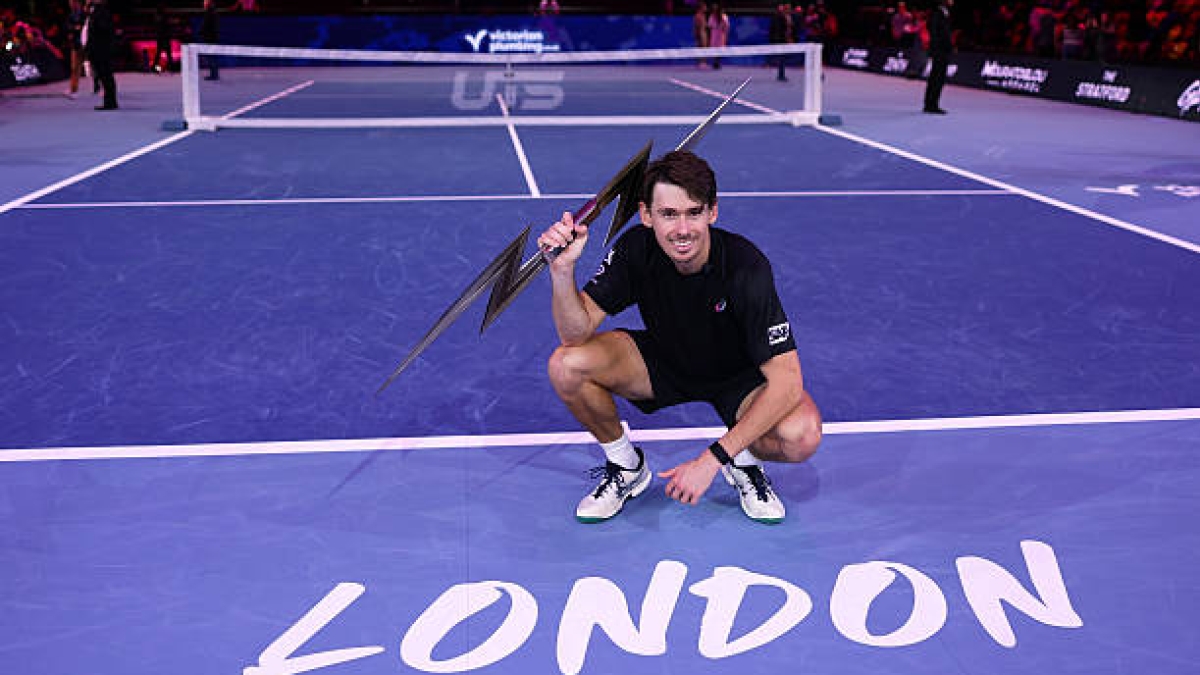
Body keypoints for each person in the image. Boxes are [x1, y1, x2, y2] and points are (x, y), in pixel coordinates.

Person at [536, 150, 823, 525]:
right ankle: (626, 467)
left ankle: (743, 463)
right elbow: (574, 334)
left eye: (693, 212)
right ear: (646, 215)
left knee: (801, 435)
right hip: (664, 361)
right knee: (566, 365)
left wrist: (713, 458)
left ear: (712, 212)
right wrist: (562, 270)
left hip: (738, 378)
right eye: (669, 214)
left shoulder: (745, 267)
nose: (682, 229)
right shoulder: (635, 249)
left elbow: (787, 381)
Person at [84, 0, 117, 110]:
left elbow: (101, 30)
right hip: (100, 48)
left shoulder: (101, 11)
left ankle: (110, 102)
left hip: (101, 49)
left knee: (106, 75)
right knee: (105, 76)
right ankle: (110, 101)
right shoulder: (97, 11)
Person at [923, 0, 952, 114]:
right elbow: (933, 30)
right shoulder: (937, 13)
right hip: (939, 50)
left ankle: (931, 103)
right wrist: (935, 48)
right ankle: (931, 105)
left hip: (942, 50)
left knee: (937, 77)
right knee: (937, 77)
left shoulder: (945, 12)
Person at [65, 0, 86, 97]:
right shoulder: (70, 15)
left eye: (73, 2)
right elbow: (68, 27)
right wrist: (73, 29)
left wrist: (79, 27)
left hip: (86, 43)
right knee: (74, 68)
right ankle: (73, 88)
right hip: (75, 44)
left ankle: (98, 86)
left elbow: (86, 26)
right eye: (70, 2)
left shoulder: (85, 13)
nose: (71, 4)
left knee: (95, 66)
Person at [769, 3, 794, 82]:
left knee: (782, 58)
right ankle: (781, 75)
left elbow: (788, 29)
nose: (782, 9)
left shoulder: (787, 17)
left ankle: (781, 74)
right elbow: (776, 29)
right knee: (781, 58)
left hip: (782, 40)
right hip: (780, 40)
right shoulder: (779, 17)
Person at [199, 0, 219, 80]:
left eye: (205, 2)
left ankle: (214, 74)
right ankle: (214, 74)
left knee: (211, 57)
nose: (203, 4)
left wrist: (202, 32)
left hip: (210, 38)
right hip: (212, 37)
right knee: (212, 57)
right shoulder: (212, 13)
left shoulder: (210, 13)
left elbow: (207, 25)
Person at [707, 2, 729, 69]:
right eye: (713, 7)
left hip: (721, 35)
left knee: (720, 49)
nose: (714, 8)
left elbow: (726, 27)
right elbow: (709, 26)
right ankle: (715, 62)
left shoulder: (724, 16)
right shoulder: (712, 16)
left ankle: (717, 62)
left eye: (716, 7)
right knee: (714, 49)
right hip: (714, 35)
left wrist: (725, 35)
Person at [692, 2, 709, 68]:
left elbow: (705, 25)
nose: (706, 8)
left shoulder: (703, 15)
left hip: (704, 32)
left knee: (704, 48)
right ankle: (701, 62)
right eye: (705, 7)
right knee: (701, 47)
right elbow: (696, 26)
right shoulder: (698, 15)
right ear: (701, 8)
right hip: (701, 33)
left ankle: (703, 62)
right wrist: (696, 34)